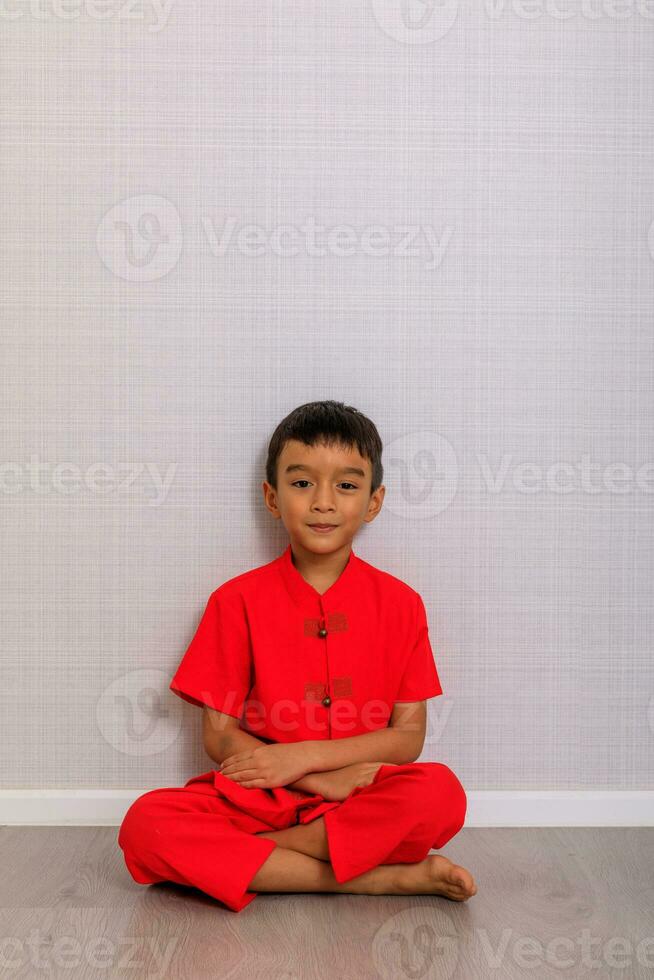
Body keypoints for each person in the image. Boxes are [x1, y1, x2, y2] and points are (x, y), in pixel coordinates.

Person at [118, 400, 477, 911]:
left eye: (347, 486)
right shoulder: (234, 601)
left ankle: (255, 861)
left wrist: (309, 758)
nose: (323, 503)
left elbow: (408, 738)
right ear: (272, 496)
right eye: (302, 482)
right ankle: (380, 878)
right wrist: (305, 775)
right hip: (258, 794)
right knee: (146, 824)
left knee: (440, 794)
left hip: (363, 793)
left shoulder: (402, 605)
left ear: (374, 502)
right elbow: (219, 735)